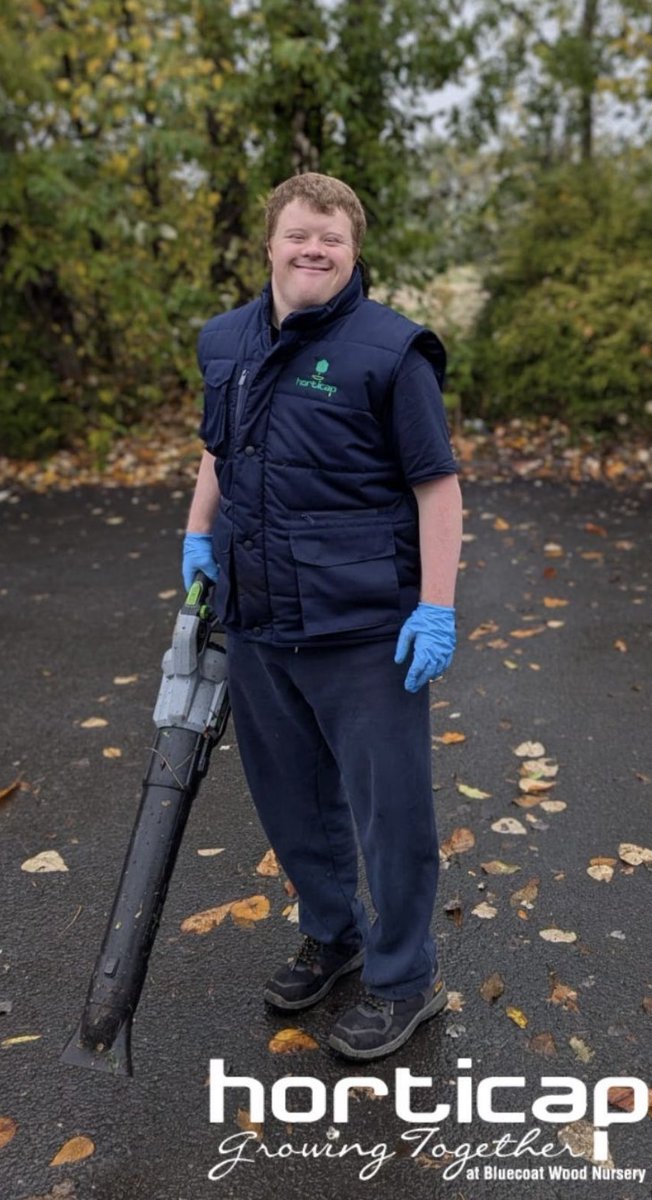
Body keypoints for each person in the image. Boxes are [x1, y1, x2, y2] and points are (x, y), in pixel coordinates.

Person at [181, 172, 462, 1060]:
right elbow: (217, 451)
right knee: (293, 805)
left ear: (352, 251)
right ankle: (333, 936)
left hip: (363, 627)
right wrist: (197, 540)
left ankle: (404, 979)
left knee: (391, 816)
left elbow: (437, 486)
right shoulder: (223, 340)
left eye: (332, 240)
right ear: (268, 241)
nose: (314, 251)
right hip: (257, 617)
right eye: (300, 234)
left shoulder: (391, 351)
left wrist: (436, 607)